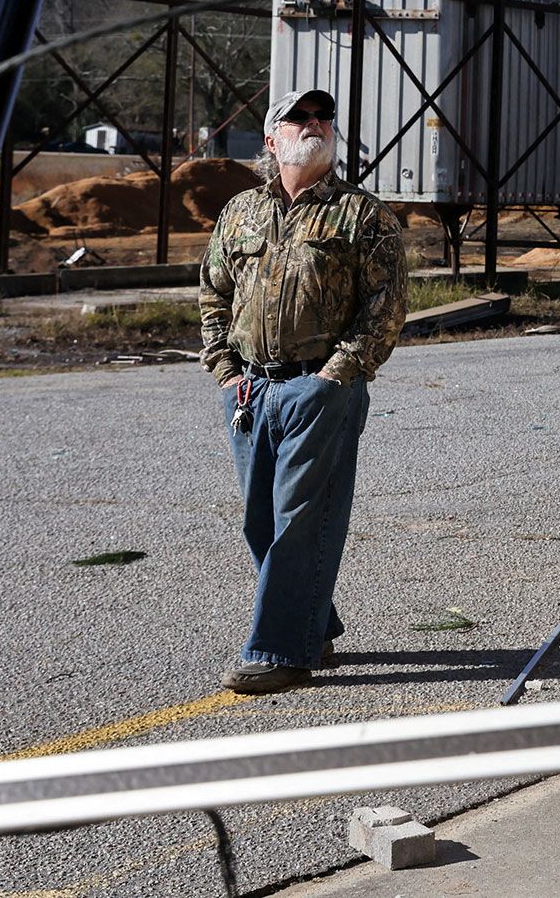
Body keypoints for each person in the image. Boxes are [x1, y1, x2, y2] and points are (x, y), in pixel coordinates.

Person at [198, 86, 405, 693]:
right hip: (251, 391)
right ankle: (314, 625)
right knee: (259, 522)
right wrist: (227, 371)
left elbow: (386, 305)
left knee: (298, 522)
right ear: (272, 138)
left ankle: (279, 651)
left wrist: (333, 376)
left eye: (324, 117)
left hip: (321, 389)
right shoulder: (239, 212)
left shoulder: (362, 215)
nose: (315, 124)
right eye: (300, 117)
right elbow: (213, 292)